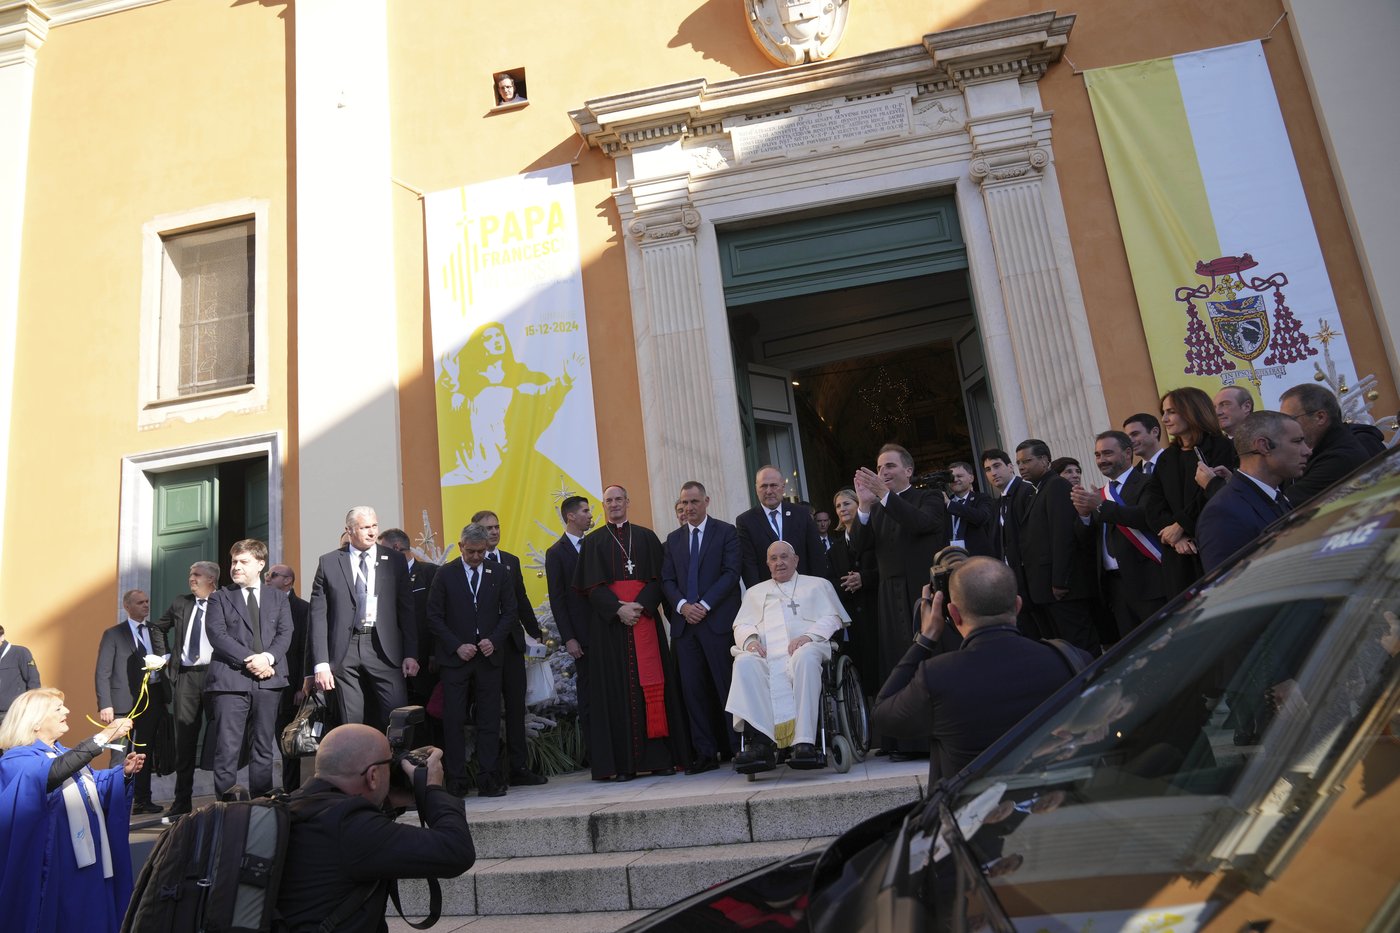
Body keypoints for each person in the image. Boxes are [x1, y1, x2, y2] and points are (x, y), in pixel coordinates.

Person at [871, 557, 1085, 783]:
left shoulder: (938, 676)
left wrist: (924, 640)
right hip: (1057, 809)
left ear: (953, 614)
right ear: (1018, 605)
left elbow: (882, 715)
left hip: (971, 809)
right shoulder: (1069, 659)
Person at [276, 724, 476, 933]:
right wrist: (432, 788)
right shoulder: (351, 827)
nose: (392, 771)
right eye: (389, 765)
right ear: (373, 776)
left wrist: (389, 800)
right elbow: (456, 850)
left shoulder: (296, 806)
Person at [0, 689, 144, 933]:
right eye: (58, 709)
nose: (67, 711)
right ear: (35, 722)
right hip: (57, 863)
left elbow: (90, 786)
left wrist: (123, 774)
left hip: (88, 860)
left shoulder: (63, 754)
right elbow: (51, 775)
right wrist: (105, 736)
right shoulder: (16, 760)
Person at [572, 484, 689, 781]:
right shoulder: (593, 542)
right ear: (603, 505)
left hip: (644, 621)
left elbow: (660, 578)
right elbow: (590, 589)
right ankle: (622, 765)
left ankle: (660, 758)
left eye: (619, 499)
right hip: (610, 629)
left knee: (652, 687)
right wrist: (618, 610)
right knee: (616, 692)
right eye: (609, 500)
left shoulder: (647, 537)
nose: (614, 504)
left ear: (628, 501)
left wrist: (639, 606)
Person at [855, 443, 950, 760]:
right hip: (888, 595)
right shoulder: (879, 506)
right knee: (897, 664)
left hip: (920, 593)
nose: (883, 472)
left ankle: (930, 738)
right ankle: (900, 740)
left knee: (925, 662)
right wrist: (865, 507)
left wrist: (884, 495)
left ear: (908, 470)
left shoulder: (929, 497)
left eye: (890, 466)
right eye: (880, 467)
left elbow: (921, 524)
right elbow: (860, 547)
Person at [727, 541, 850, 773]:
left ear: (796, 560)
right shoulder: (755, 592)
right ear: (767, 563)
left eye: (784, 557)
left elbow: (833, 618)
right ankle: (761, 742)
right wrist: (751, 640)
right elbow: (741, 625)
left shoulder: (817, 585)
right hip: (766, 656)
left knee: (804, 658)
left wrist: (808, 635)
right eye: (773, 558)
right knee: (743, 663)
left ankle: (804, 742)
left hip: (805, 649)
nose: (779, 562)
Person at [309, 506, 418, 731]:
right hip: (345, 650)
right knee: (352, 724)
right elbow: (318, 616)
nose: (372, 532)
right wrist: (321, 663)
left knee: (397, 719)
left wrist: (411, 654)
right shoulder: (329, 562)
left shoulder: (395, 560)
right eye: (365, 527)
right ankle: (358, 766)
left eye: (374, 526)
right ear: (349, 530)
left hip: (384, 647)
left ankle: (394, 766)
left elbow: (406, 610)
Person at [426, 523, 515, 797]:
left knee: (489, 719)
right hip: (457, 660)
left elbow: (510, 612)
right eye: (472, 551)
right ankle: (456, 779)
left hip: (488, 657)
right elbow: (433, 616)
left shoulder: (498, 572)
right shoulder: (445, 574)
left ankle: (488, 778)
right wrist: (456, 646)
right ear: (461, 546)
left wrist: (494, 639)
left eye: (482, 552)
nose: (477, 557)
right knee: (453, 720)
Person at [661, 481, 743, 774]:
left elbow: (731, 574)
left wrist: (704, 605)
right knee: (693, 692)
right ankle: (705, 753)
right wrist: (683, 606)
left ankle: (738, 747)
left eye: (694, 502)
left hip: (717, 623)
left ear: (707, 501)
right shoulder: (672, 540)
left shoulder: (726, 532)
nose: (689, 508)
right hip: (686, 629)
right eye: (684, 503)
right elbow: (667, 581)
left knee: (727, 688)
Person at [204, 539, 295, 798]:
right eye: (234, 561)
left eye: (243, 562)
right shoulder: (219, 597)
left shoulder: (278, 598)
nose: (236, 567)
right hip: (230, 683)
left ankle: (261, 807)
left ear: (260, 564)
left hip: (269, 682)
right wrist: (253, 660)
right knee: (227, 750)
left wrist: (267, 658)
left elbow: (285, 632)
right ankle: (226, 810)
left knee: (264, 748)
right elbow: (217, 635)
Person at [471, 510, 547, 788]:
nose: (493, 532)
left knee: (517, 708)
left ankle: (519, 767)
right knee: (489, 710)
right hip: (485, 648)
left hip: (512, 645)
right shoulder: (469, 564)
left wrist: (536, 633)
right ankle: (490, 772)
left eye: (496, 527)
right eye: (487, 528)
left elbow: (522, 600)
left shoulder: (511, 562)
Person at [1140, 387, 1239, 596]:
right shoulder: (1167, 457)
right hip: (1177, 553)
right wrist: (1175, 535)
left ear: (1192, 410)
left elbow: (1214, 494)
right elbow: (1152, 501)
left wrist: (1181, 525)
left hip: (1213, 546)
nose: (1165, 419)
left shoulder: (1221, 447)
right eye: (1164, 412)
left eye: (1171, 412)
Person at [1071, 431, 1169, 642]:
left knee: (1161, 642)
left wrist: (1099, 505)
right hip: (1115, 588)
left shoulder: (1147, 482)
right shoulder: (1101, 493)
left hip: (1148, 582)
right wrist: (1084, 515)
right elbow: (1088, 542)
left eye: (1107, 453)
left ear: (1127, 453)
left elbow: (1144, 517)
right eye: (1097, 455)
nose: (1101, 460)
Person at [1197, 411, 1311, 572]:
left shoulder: (1277, 498)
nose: (1307, 451)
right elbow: (1228, 589)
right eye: (1297, 441)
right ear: (1263, 446)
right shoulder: (1223, 513)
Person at [148, 561, 220, 815]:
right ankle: (181, 802)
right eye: (190, 574)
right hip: (186, 678)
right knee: (185, 742)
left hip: (217, 676)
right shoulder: (182, 602)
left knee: (222, 736)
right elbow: (157, 627)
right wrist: (166, 656)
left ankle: (225, 797)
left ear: (211, 579)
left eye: (197, 575)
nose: (191, 578)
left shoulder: (225, 601)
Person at [1014, 440, 1099, 653]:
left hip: (1062, 589)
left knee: (1080, 646)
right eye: (1018, 463)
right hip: (1046, 589)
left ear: (1044, 460)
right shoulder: (1038, 490)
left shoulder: (1057, 485)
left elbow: (1063, 535)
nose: (1022, 467)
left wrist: (1061, 581)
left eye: (1027, 461)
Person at [94, 588, 164, 814]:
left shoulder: (154, 630)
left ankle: (143, 799)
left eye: (147, 601)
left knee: (145, 750)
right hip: (121, 702)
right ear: (127, 606)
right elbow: (102, 671)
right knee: (119, 751)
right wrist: (105, 703)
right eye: (140, 602)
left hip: (150, 699)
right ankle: (114, 800)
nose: (146, 605)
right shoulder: (113, 634)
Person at [545, 495, 593, 759]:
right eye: (585, 511)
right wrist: (569, 638)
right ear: (571, 516)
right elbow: (558, 600)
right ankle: (593, 753)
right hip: (580, 636)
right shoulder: (556, 553)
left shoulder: (595, 544)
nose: (590, 514)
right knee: (588, 696)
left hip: (602, 631)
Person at [375, 531, 439, 717]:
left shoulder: (430, 573)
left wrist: (435, 652)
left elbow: (437, 615)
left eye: (382, 550)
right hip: (394, 658)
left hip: (426, 659)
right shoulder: (385, 577)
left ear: (396, 548)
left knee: (429, 711)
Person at [1278, 383, 1373, 505]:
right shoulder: (1316, 448)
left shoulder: (1341, 458)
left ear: (1320, 417)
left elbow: (1287, 505)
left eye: (1290, 419)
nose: (1284, 427)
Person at [735, 465, 828, 587]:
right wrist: (759, 595)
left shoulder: (802, 514)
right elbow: (749, 564)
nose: (769, 491)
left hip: (804, 589)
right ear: (756, 489)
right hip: (769, 595)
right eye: (763, 486)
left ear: (783, 487)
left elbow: (816, 555)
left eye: (773, 485)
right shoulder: (745, 521)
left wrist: (816, 587)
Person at [827, 488, 880, 694]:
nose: (842, 509)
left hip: (876, 610)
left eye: (846, 503)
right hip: (852, 619)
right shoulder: (834, 549)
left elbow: (887, 568)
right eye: (838, 506)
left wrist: (864, 579)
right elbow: (830, 581)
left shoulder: (875, 535)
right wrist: (847, 585)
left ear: (859, 505)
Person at [266, 562, 312, 791]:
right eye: (267, 574)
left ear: (288, 580)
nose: (267, 578)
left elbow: (306, 648)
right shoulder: (260, 606)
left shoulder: (303, 609)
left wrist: (301, 685)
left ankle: (291, 791)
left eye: (272, 575)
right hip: (263, 684)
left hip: (290, 687)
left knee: (289, 742)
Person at [982, 447, 1036, 635]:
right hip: (1013, 584)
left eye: (997, 466)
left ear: (1010, 467)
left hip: (1032, 584)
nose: (993, 473)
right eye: (988, 469)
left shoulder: (1026, 491)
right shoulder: (998, 503)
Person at [944, 461, 996, 557]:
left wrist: (950, 505)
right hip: (952, 559)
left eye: (959, 476)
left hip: (979, 560)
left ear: (971, 478)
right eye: (952, 477)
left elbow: (982, 517)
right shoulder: (944, 504)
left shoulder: (982, 498)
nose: (955, 479)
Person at [0, 624, 40, 721]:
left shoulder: (20, 652)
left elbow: (33, 681)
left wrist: (31, 708)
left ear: (2, 637)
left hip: (12, 713)